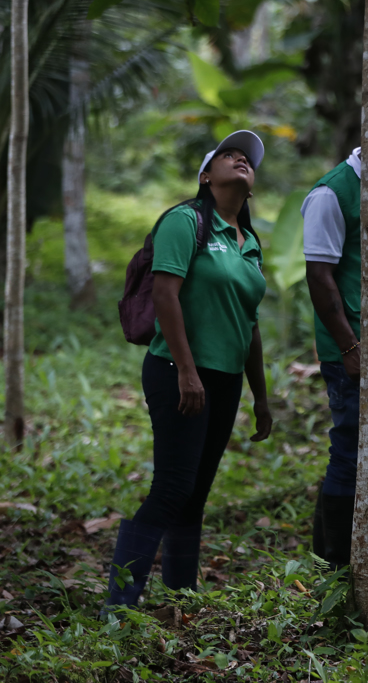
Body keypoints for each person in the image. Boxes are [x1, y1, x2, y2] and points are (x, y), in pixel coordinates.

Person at [103, 131, 273, 615]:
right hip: (177, 373)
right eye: (228, 155)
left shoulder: (249, 241)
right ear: (206, 175)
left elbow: (250, 323)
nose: (241, 159)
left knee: (195, 495)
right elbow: (164, 294)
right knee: (172, 488)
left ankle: (181, 599)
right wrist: (186, 371)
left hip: (225, 379)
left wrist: (260, 396)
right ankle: (117, 606)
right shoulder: (185, 221)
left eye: (248, 159)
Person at [302, 146, 362, 570]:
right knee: (349, 445)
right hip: (351, 350)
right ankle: (333, 560)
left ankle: (334, 552)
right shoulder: (331, 194)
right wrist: (349, 348)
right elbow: (319, 277)